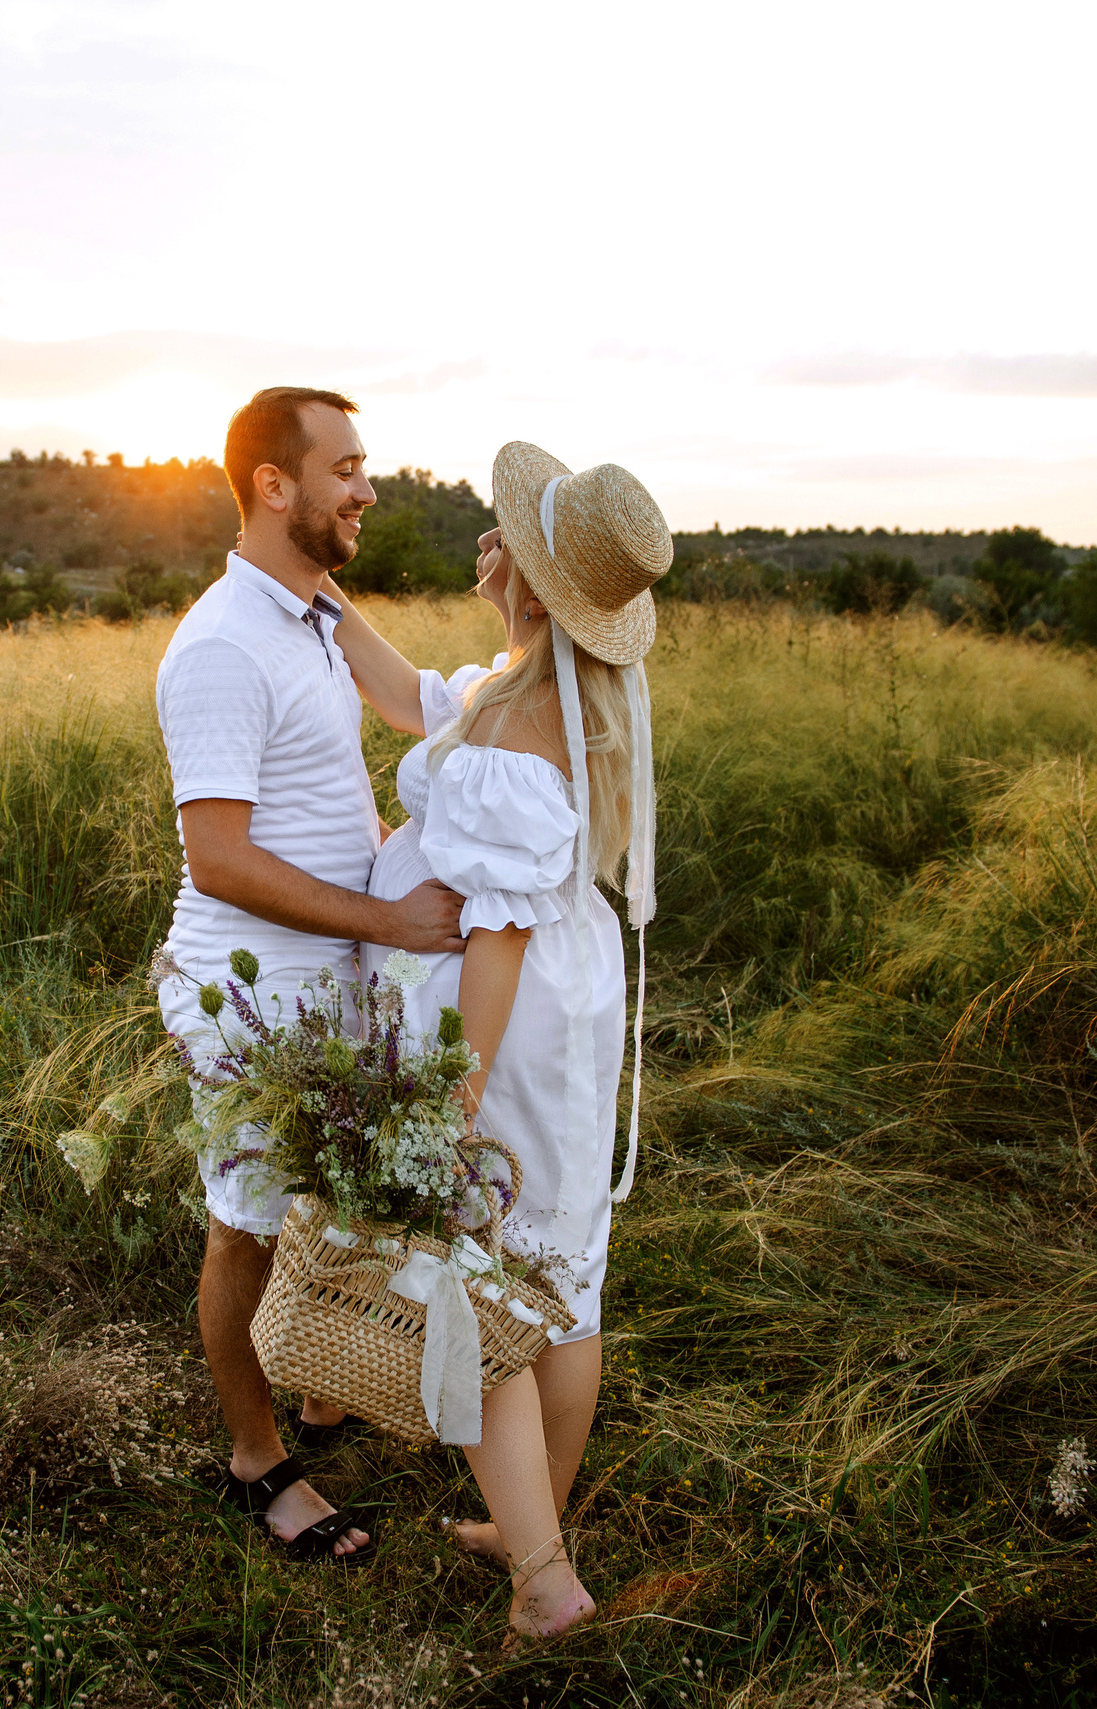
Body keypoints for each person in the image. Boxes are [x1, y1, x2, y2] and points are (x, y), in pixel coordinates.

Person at [325, 442, 671, 1639]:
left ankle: (543, 1583)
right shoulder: (554, 685)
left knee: (478, 1283)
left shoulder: (519, 720)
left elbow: (499, 934)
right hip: (567, 1014)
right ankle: (537, 1521)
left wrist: (447, 1093)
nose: (483, 543)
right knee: (558, 1278)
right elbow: (417, 695)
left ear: (530, 576)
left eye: (502, 535)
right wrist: (325, 604)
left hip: (505, 1021)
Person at [153, 385, 466, 1565]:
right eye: (345, 467)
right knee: (245, 1222)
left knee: (330, 1190)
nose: (368, 487)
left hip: (330, 972)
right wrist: (387, 913)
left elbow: (401, 716)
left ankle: (326, 1386)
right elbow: (219, 855)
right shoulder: (223, 645)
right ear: (273, 486)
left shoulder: (303, 619)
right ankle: (256, 1458)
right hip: (247, 986)